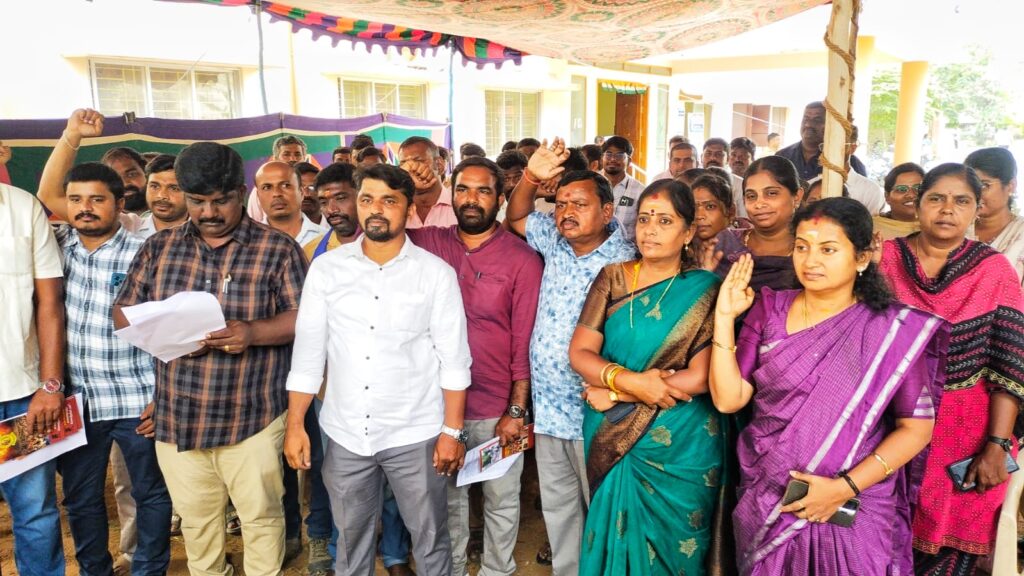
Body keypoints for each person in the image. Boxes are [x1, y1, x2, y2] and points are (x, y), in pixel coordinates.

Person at [711, 197, 947, 575]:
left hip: (855, 502)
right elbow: (728, 399)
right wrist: (724, 318)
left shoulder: (891, 330)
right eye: (802, 247)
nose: (811, 260)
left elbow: (916, 428)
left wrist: (843, 488)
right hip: (769, 493)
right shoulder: (769, 309)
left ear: (862, 257)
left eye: (828, 249)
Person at [114, 142, 308, 576]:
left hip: (253, 417)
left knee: (261, 518)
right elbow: (122, 313)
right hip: (179, 418)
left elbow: (305, 318)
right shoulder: (159, 248)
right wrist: (170, 330)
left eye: (220, 201)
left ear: (241, 193)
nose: (208, 212)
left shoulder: (277, 249)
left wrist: (253, 332)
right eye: (197, 201)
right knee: (198, 525)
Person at [283, 163, 472, 576]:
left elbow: (454, 360)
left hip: (416, 431)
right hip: (346, 432)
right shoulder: (327, 269)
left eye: (389, 201)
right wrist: (296, 425)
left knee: (430, 540)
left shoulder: (435, 274)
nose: (376, 209)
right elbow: (308, 354)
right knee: (351, 543)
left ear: (409, 209)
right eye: (367, 199)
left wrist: (452, 432)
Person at [569, 179, 725, 575]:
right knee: (613, 536)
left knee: (677, 551)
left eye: (665, 221)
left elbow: (701, 377)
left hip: (679, 440)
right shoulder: (612, 278)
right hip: (614, 432)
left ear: (688, 232)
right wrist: (629, 381)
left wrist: (618, 394)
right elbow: (580, 352)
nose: (650, 229)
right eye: (644, 219)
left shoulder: (706, 289)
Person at [877, 163, 1024, 575]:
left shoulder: (994, 270)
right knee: (875, 540)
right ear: (917, 203)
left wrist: (996, 445)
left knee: (945, 555)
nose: (947, 209)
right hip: (887, 422)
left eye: (961, 201)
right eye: (936, 198)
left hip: (965, 435)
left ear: (977, 208)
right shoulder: (884, 258)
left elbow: (1009, 366)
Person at [407, 156, 543, 576]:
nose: (471, 199)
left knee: (502, 499)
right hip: (438, 405)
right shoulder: (429, 241)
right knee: (447, 500)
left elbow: (524, 342)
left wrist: (516, 410)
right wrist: (410, 189)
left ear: (500, 199)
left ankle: (497, 570)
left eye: (484, 191)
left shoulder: (522, 259)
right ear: (451, 194)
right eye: (463, 189)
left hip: (497, 406)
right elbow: (374, 231)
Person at [505, 138, 635, 576]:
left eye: (579, 204)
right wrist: (530, 177)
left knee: (601, 511)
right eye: (560, 204)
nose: (566, 213)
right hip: (549, 411)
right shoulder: (554, 241)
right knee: (560, 512)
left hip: (596, 414)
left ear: (607, 211)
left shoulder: (626, 263)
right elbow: (516, 215)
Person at [54, 162, 172, 576]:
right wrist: (70, 135)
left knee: (150, 493)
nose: (85, 208)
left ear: (120, 204)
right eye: (75, 199)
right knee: (81, 498)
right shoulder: (56, 246)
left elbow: (170, 327)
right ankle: (94, 570)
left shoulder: (146, 250)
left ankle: (149, 569)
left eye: (97, 199)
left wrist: (163, 395)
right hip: (76, 402)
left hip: (137, 396)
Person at [0, 180, 66, 576]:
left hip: (21, 396)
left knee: (34, 512)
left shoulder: (23, 207)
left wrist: (50, 384)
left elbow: (49, 302)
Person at [38, 110, 188, 237]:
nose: (162, 195)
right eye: (155, 186)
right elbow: (50, 196)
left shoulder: (201, 228)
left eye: (174, 188)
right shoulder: (125, 227)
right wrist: (72, 134)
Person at [710, 156, 804, 295]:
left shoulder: (809, 251)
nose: (759, 204)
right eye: (751, 196)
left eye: (771, 193)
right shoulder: (724, 243)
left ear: (797, 196)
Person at [966, 147, 1024, 284]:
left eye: (984, 185)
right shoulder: (957, 228)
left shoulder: (1020, 233)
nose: (975, 193)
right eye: (970, 185)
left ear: (1011, 185)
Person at [775, 102, 867, 180]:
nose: (808, 124)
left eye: (817, 120)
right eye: (805, 119)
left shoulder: (846, 161)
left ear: (830, 124)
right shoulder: (782, 156)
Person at [254, 160, 326, 246]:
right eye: (267, 187)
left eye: (285, 185)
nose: (276, 193)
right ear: (258, 195)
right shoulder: (248, 242)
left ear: (301, 192)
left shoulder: (328, 239)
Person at [399, 136, 458, 229]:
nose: (411, 168)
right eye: (404, 164)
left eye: (418, 161)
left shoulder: (459, 205)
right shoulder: (397, 208)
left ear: (439, 165)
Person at [247, 134, 309, 223]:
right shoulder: (262, 188)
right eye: (286, 154)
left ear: (304, 158)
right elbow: (254, 221)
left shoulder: (314, 183)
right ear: (275, 158)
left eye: (297, 154)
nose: (293, 159)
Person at [600, 136, 642, 241]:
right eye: (608, 154)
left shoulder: (640, 191)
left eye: (619, 155)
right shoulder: (590, 184)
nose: (613, 159)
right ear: (602, 158)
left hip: (626, 248)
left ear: (629, 161)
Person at [874, 163, 923, 240]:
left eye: (918, 188)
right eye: (901, 189)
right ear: (887, 196)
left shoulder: (935, 227)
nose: (911, 195)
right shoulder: (871, 228)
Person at [691, 173, 738, 247]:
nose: (699, 216)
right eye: (694, 208)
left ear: (731, 212)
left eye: (710, 207)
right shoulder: (682, 248)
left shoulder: (745, 248)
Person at [295, 161, 325, 226]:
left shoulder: (337, 227)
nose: (306, 194)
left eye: (312, 187)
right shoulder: (276, 229)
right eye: (300, 187)